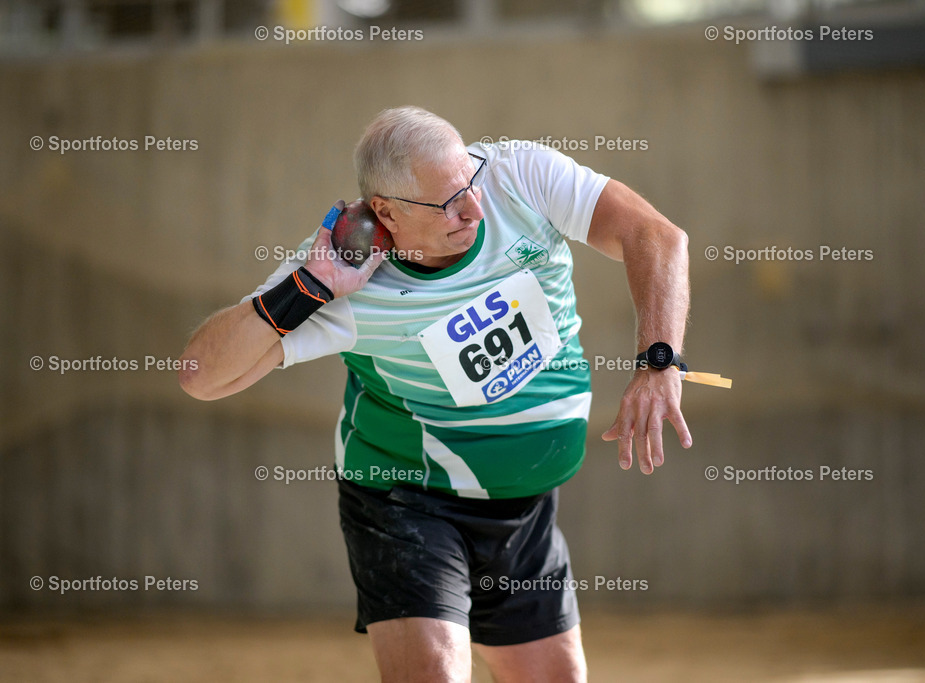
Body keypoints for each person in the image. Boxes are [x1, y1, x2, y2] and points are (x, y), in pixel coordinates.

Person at [178, 105, 691, 682]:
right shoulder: (343, 277)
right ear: (386, 213)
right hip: (407, 501)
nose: (474, 207)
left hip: (523, 505)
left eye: (469, 181)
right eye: (447, 201)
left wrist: (658, 361)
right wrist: (308, 288)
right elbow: (202, 375)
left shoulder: (517, 178)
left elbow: (656, 235)